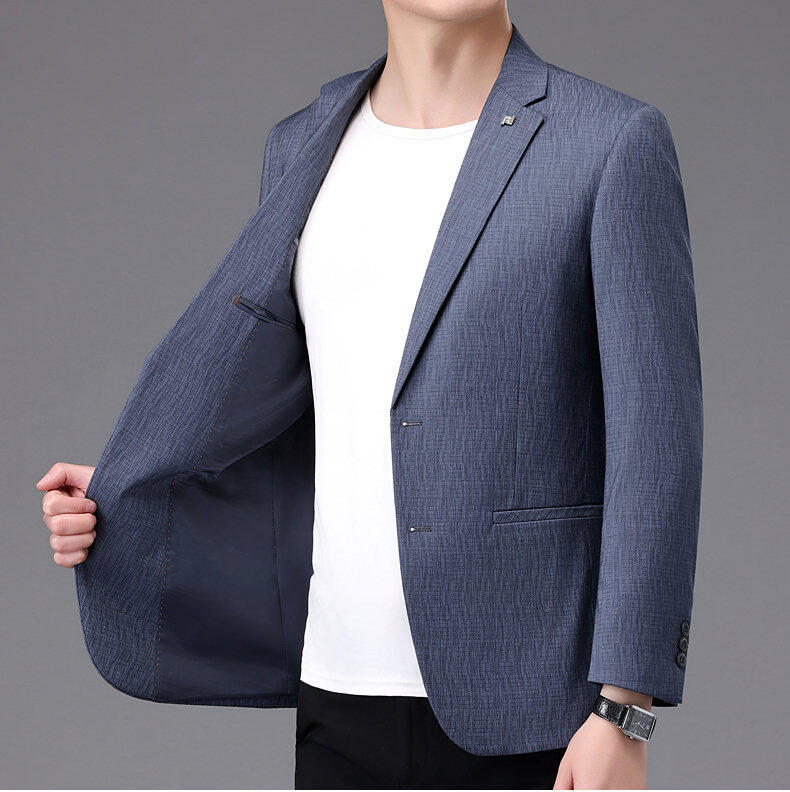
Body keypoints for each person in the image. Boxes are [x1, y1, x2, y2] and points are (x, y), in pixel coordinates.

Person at [36, 1, 702, 788]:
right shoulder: (302, 145)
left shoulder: (610, 140)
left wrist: (624, 709)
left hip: (534, 701)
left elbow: (657, 444)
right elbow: (302, 406)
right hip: (336, 689)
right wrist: (129, 492)